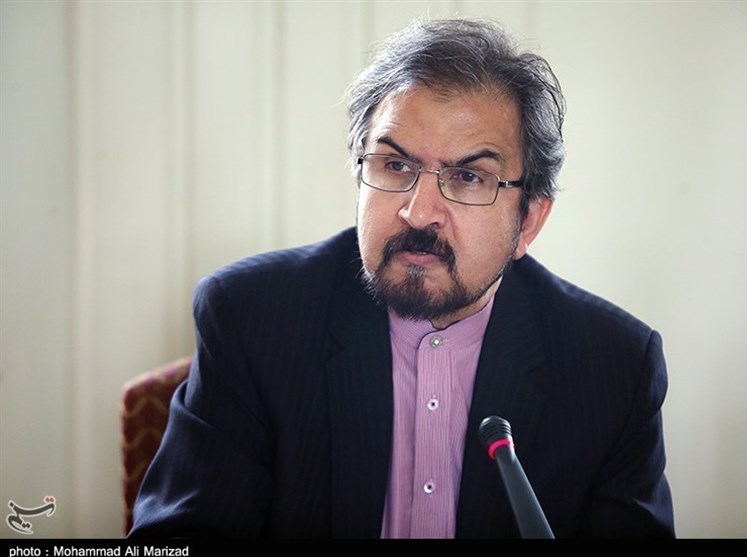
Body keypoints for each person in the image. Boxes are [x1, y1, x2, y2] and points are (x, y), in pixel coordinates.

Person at [129, 17, 675, 539]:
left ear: (528, 220)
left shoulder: (613, 367)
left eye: (468, 177)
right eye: (396, 166)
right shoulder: (253, 319)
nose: (419, 212)